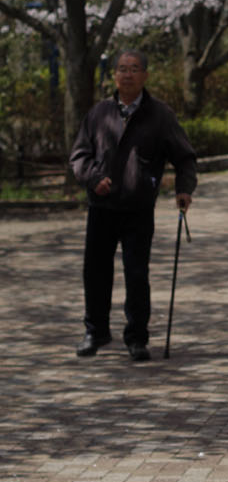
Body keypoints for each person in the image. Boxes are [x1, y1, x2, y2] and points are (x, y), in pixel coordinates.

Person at [69, 49, 198, 362]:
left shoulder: (160, 115)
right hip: (102, 206)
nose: (127, 74)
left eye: (134, 69)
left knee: (137, 273)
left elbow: (185, 157)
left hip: (138, 207)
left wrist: (184, 189)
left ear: (145, 76)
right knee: (95, 272)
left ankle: (137, 337)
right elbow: (79, 156)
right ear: (114, 75)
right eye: (122, 69)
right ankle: (95, 331)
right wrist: (92, 178)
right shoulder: (98, 113)